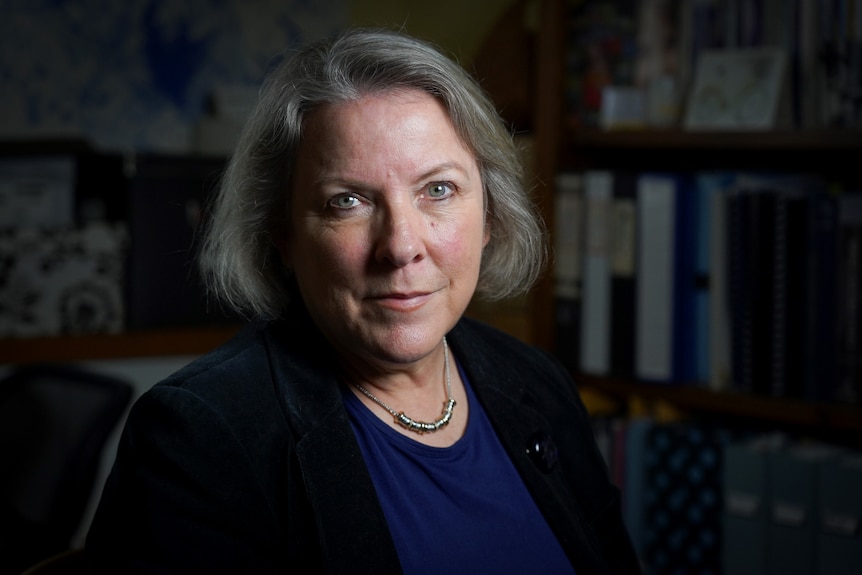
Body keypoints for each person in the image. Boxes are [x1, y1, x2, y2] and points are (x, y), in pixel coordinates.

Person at [85, 27, 641, 574]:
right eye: (347, 201)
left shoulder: (537, 383)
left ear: (490, 214)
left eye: (438, 190)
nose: (401, 246)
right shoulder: (199, 438)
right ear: (283, 234)